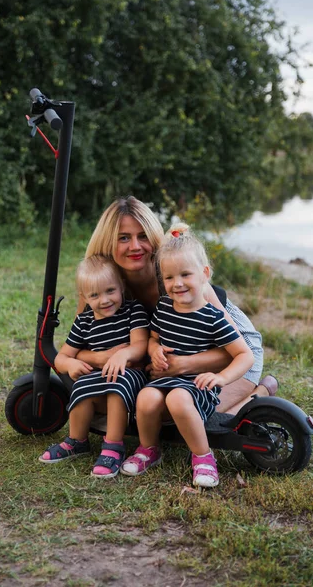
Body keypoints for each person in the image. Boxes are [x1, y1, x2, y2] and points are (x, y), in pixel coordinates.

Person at [75, 196, 277, 416]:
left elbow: (235, 353)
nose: (135, 246)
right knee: (147, 410)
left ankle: (260, 394)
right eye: (123, 238)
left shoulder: (176, 277)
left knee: (192, 415)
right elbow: (81, 344)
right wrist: (101, 358)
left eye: (143, 236)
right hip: (176, 355)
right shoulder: (103, 283)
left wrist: (181, 365)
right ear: (108, 242)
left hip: (234, 348)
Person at [120, 223, 255, 487]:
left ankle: (203, 457)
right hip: (164, 379)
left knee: (179, 400)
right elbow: (154, 337)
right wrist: (154, 350)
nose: (177, 284)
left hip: (197, 384)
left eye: (185, 275)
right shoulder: (164, 307)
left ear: (204, 274)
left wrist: (222, 379)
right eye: (169, 278)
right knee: (146, 397)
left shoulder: (213, 317)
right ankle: (149, 449)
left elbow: (243, 355)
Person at [39, 255, 149, 478]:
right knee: (82, 387)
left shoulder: (133, 310)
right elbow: (61, 357)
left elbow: (141, 345)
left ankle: (113, 446)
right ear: (84, 297)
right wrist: (70, 363)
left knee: (116, 385)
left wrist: (124, 355)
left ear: (122, 287)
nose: (105, 300)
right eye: (95, 295)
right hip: (99, 376)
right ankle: (77, 440)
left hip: (131, 374)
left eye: (110, 290)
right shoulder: (85, 321)